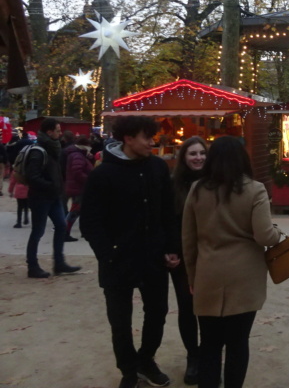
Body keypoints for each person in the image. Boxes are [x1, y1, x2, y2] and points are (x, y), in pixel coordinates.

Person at [81, 116, 179, 388]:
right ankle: (128, 370)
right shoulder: (102, 175)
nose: (152, 142)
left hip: (153, 259)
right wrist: (108, 253)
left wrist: (171, 247)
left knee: (157, 313)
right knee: (120, 322)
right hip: (118, 262)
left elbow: (167, 212)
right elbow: (90, 222)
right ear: (128, 139)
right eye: (146, 137)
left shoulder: (158, 168)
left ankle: (147, 360)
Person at [182, 136, 281, 388]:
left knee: (209, 344)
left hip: (208, 274)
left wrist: (192, 277)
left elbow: (188, 238)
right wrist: (277, 231)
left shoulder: (197, 189)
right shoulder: (255, 189)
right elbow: (264, 235)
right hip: (245, 277)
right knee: (238, 343)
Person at [24, 118, 81, 279]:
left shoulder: (53, 148)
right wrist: (51, 185)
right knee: (38, 231)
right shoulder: (39, 150)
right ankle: (33, 266)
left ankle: (59, 262)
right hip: (40, 197)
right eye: (57, 130)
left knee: (61, 226)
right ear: (49, 132)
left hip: (53, 196)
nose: (60, 132)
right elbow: (32, 176)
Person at [171, 137, 207, 385]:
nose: (198, 158)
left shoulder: (214, 183)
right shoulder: (174, 186)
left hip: (210, 256)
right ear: (184, 157)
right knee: (187, 307)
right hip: (182, 255)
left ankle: (208, 354)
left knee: (209, 309)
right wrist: (170, 250)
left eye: (202, 153)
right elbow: (168, 220)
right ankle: (193, 356)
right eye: (192, 153)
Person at [64, 135, 94, 241]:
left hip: (77, 187)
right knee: (75, 211)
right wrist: (89, 180)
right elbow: (77, 172)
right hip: (79, 188)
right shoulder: (77, 156)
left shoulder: (77, 154)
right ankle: (65, 232)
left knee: (80, 210)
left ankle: (82, 232)